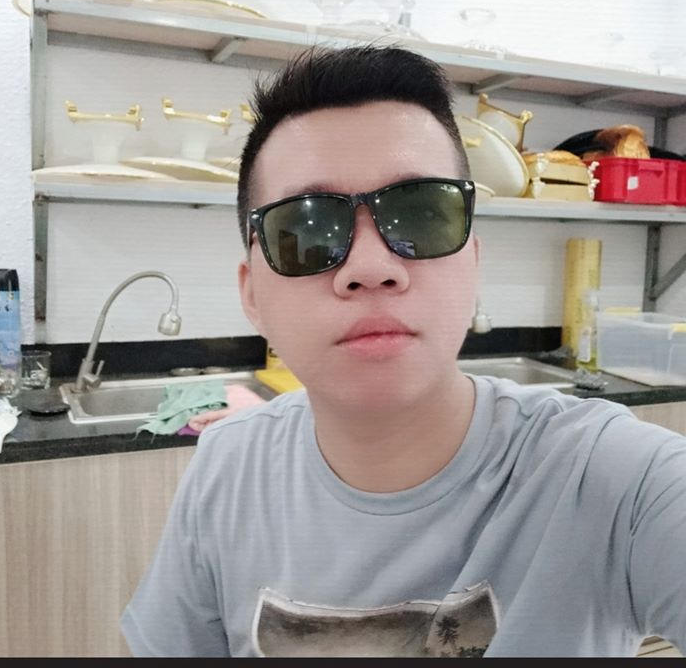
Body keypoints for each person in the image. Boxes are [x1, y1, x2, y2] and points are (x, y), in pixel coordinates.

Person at [120, 44, 686, 658]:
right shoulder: (228, 468)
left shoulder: (612, 478)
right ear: (252, 293)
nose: (370, 267)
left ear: (473, 260)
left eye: (421, 215)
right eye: (306, 230)